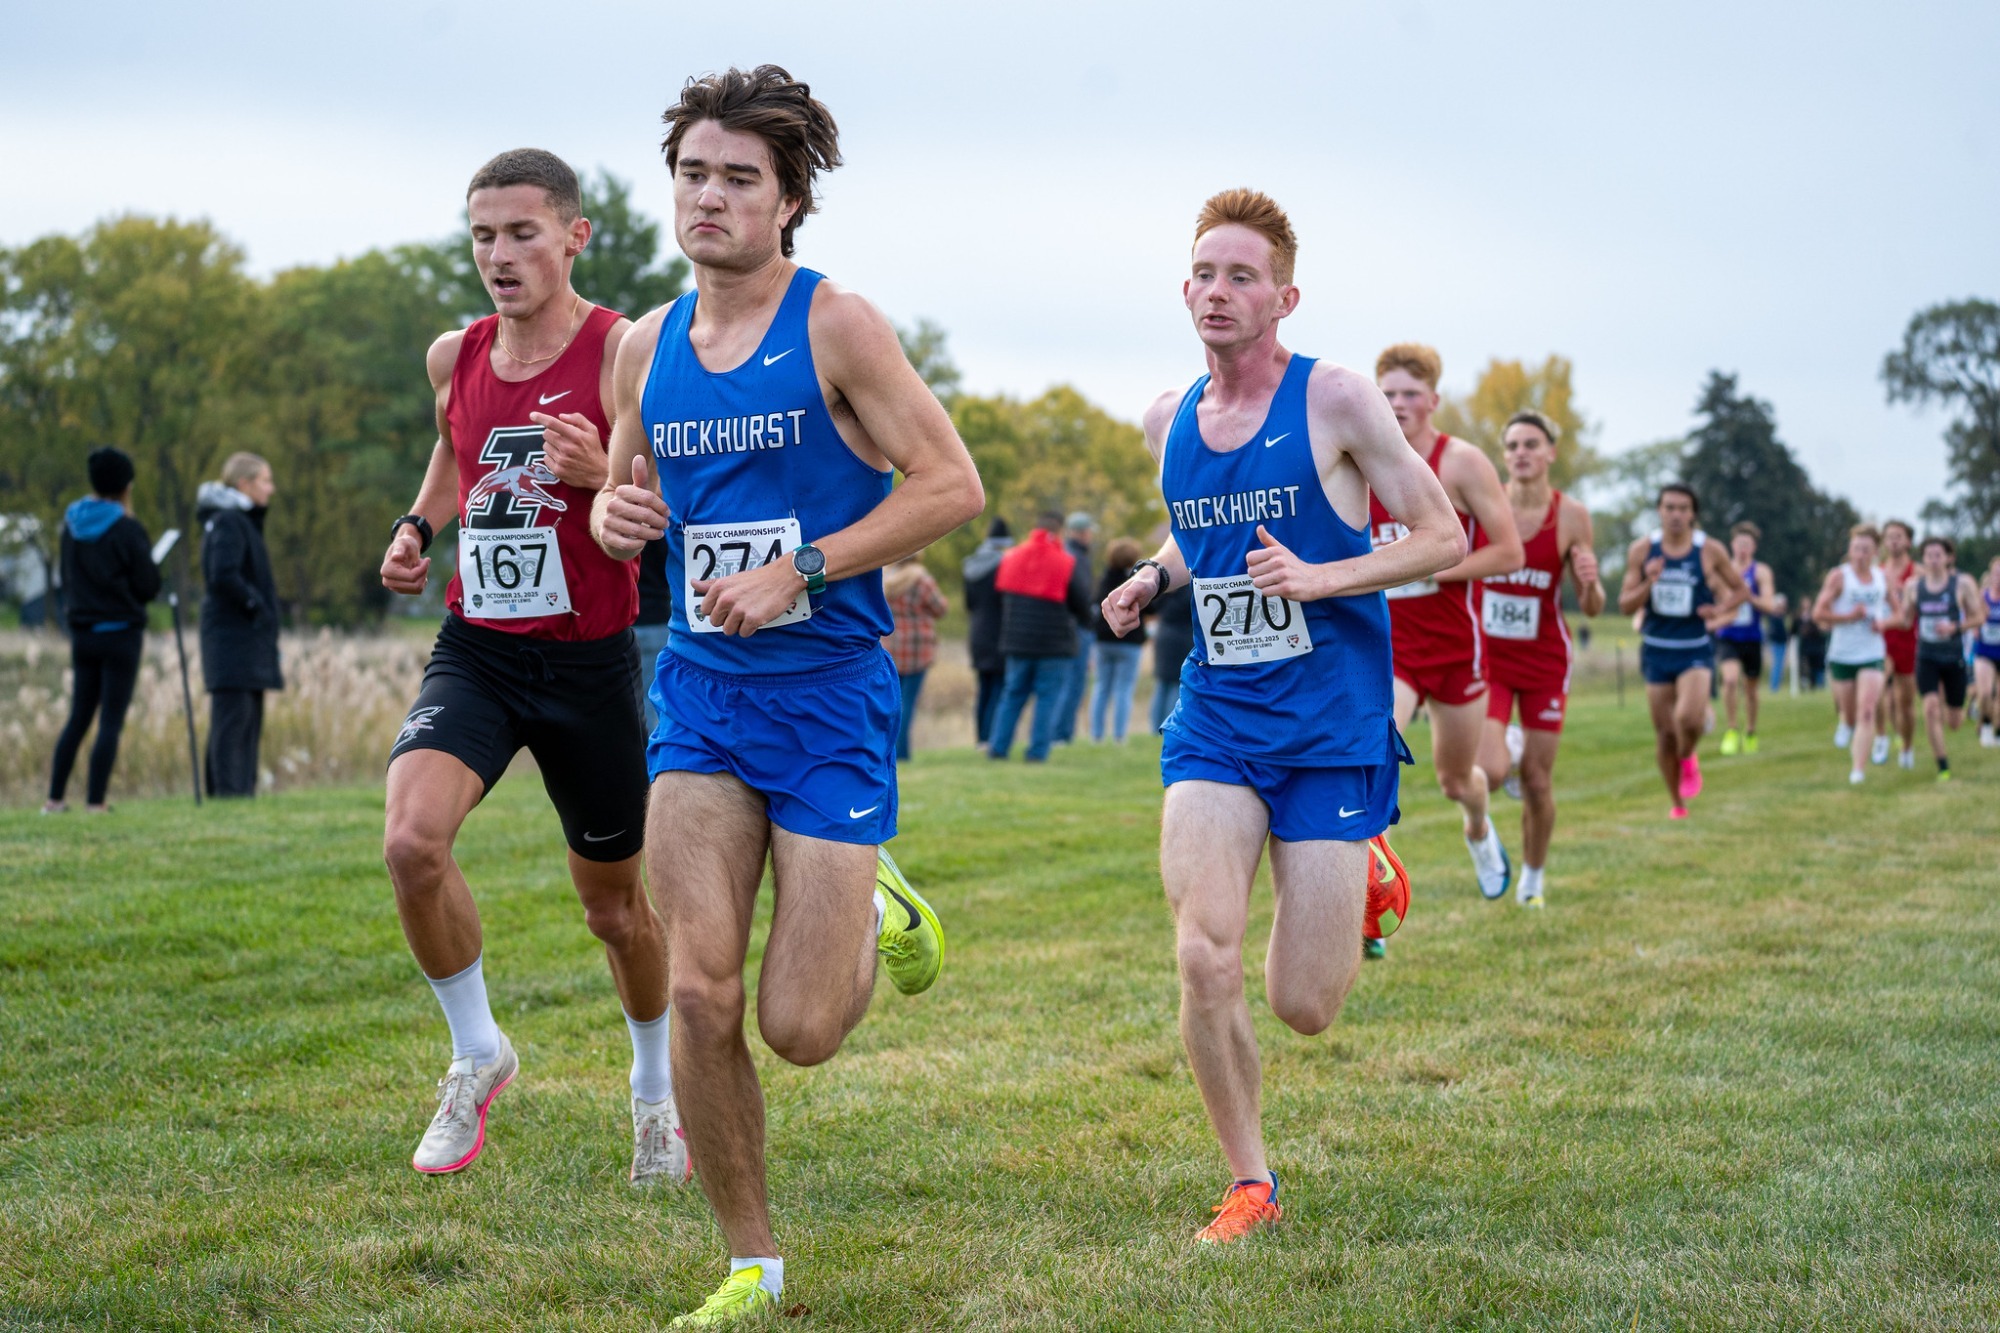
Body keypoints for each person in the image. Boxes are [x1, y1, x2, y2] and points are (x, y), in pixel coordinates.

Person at [588, 67, 984, 1325]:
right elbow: (619, 503)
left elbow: (948, 486)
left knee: (801, 1026)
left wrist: (803, 565)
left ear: (789, 203)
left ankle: (873, 904)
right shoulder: (641, 347)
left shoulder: (837, 327)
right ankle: (749, 1262)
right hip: (701, 693)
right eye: (693, 175)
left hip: (828, 691)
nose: (708, 198)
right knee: (700, 990)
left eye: (737, 180)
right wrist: (613, 514)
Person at [1100, 189, 1461, 1246]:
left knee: (1304, 1000)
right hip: (1216, 718)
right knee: (1201, 954)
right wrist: (1148, 580)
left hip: (1330, 724)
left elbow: (1437, 536)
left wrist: (1322, 574)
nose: (1218, 291)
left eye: (1241, 276)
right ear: (1184, 290)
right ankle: (1248, 1179)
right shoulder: (1168, 420)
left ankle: (1366, 864)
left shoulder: (1338, 400)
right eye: (1204, 274)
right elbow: (1195, 533)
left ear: (1283, 297)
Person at [375, 149, 680, 1190]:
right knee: (412, 841)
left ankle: (656, 1093)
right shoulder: (451, 353)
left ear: (573, 237)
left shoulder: (621, 350)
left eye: (520, 234)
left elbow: (655, 503)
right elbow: (458, 453)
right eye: (481, 236)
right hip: (480, 649)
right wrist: (421, 523)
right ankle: (476, 1051)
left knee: (614, 909)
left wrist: (600, 473)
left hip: (589, 662)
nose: (497, 256)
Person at [1372, 343, 1524, 910]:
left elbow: (1509, 552)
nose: (1399, 403)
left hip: (1457, 648)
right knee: (1374, 752)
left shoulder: (1460, 462)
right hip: (1390, 647)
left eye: (1411, 394)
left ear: (1433, 400)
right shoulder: (1360, 460)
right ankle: (1374, 889)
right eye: (1387, 393)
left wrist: (1435, 561)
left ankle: (1479, 830)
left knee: (1457, 781)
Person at [1472, 411, 1603, 908]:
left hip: (1546, 661)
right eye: (1513, 446)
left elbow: (1591, 606)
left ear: (1550, 452)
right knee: (1489, 769)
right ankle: (1508, 746)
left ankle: (1532, 878)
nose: (1522, 453)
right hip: (1491, 659)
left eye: (1532, 444)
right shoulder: (1486, 505)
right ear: (1504, 456)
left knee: (1538, 781)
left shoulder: (1572, 516)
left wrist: (1589, 582)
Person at [1616, 484, 1746, 819]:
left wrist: (1718, 612)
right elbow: (1625, 606)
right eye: (1669, 507)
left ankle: (1688, 756)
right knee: (1664, 734)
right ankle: (1677, 802)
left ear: (1693, 514)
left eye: (1683, 508)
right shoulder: (1643, 550)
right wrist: (1648, 583)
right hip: (1657, 650)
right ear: (1659, 511)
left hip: (1694, 648)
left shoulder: (1709, 550)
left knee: (1687, 719)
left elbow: (1740, 590)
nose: (1676, 515)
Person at [45, 447, 161, 814]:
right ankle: (95, 802)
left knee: (79, 715)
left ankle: (54, 799)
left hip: (83, 632)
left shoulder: (71, 527)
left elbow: (67, 577)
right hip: (121, 632)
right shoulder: (127, 529)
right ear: (127, 485)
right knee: (110, 719)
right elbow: (148, 585)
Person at [197, 453, 283, 797]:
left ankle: (241, 792)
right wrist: (255, 604)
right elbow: (222, 574)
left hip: (245, 638)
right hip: (232, 639)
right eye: (265, 481)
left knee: (246, 715)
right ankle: (228, 793)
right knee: (233, 719)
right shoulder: (229, 522)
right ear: (244, 485)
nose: (271, 489)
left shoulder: (240, 521)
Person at [987, 511, 1094, 761]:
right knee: (1047, 698)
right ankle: (1037, 752)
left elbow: (998, 598)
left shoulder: (1012, 557)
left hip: (1016, 640)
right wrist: (1087, 624)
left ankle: (998, 747)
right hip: (1053, 642)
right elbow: (1080, 602)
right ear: (1058, 531)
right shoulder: (1064, 562)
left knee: (1012, 694)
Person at [1895, 536, 1986, 780]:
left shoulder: (1962, 584)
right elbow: (1904, 620)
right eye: (1928, 556)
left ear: (1948, 558)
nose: (1933, 560)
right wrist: (1885, 618)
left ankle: (1963, 709)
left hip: (1953, 656)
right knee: (1931, 707)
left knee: (1954, 721)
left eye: (1938, 555)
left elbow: (1979, 618)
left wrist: (1954, 627)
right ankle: (1943, 765)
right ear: (1922, 559)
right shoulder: (1913, 587)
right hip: (1926, 656)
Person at [1810, 524, 1895, 785]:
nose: (1860, 554)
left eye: (1866, 549)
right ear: (1850, 550)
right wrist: (1849, 617)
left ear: (1875, 552)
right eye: (1856, 548)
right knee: (1847, 712)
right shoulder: (1839, 577)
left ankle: (1858, 769)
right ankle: (1845, 724)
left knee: (1866, 710)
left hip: (1872, 652)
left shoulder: (1883, 579)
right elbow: (1818, 614)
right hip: (1842, 654)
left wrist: (1884, 624)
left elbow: (1901, 614)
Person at [1714, 521, 1784, 756]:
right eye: (1739, 543)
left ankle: (1751, 731)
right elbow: (1714, 600)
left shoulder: (1761, 572)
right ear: (1732, 545)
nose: (1742, 548)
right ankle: (1732, 729)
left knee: (1751, 689)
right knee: (1731, 680)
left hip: (1752, 636)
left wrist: (1747, 596)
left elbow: (1769, 604)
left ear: (1753, 547)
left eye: (1747, 544)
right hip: (1727, 634)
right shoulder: (1722, 570)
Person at [882, 553, 949, 760]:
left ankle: (888, 750)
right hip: (917, 647)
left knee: (892, 702)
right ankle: (902, 752)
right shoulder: (921, 579)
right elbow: (941, 608)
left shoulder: (886, 577)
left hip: (891, 643)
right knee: (908, 702)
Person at [961, 516, 1013, 744]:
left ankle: (980, 737)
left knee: (983, 688)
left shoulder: (971, 565)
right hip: (1000, 632)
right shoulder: (1004, 565)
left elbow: (969, 604)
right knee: (999, 688)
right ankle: (991, 738)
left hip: (977, 631)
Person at [1090, 537, 1147, 743]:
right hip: (1130, 642)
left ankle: (1096, 735)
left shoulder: (1103, 579)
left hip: (1104, 641)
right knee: (1124, 688)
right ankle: (1119, 736)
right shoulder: (1137, 580)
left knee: (1101, 686)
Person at [1051, 511, 1097, 744]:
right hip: (1076, 627)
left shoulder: (1065, 552)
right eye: (1089, 531)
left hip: (1064, 625)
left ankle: (1059, 733)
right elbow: (1080, 595)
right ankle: (1062, 734)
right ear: (1081, 533)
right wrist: (1090, 620)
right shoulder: (1076, 557)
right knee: (1073, 683)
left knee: (1065, 682)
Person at [1876, 519, 1918, 768]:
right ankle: (1881, 736)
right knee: (1878, 689)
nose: (1893, 541)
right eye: (1889, 536)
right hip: (1881, 639)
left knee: (1905, 702)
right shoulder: (1876, 572)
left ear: (1908, 541)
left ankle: (1907, 747)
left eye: (1898, 536)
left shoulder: (1918, 572)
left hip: (1908, 640)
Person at [633, 536, 673, 732]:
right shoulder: (658, 518)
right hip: (656, 620)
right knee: (648, 706)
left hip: (621, 622)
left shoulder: (610, 517)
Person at [1148, 578, 1194, 734]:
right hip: (1182, 639)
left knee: (1162, 685)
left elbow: (1154, 607)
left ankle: (1154, 728)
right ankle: (1168, 727)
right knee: (1175, 685)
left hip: (1163, 636)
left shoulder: (1164, 592)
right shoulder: (1188, 591)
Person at [1979, 557, 2000, 747]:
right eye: (1996, 573)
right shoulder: (1981, 596)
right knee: (1985, 692)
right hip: (1984, 651)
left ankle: (1998, 731)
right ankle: (1985, 725)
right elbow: (1971, 621)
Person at [1765, 599, 1792, 693]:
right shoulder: (1773, 617)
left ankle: (1776, 685)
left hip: (1782, 643)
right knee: (1776, 665)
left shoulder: (1783, 617)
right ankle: (1774, 686)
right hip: (1776, 643)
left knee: (1780, 666)